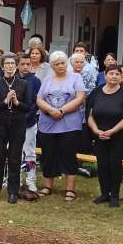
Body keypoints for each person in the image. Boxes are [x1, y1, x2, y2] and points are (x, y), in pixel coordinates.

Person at [36, 51, 86, 201]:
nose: (60, 66)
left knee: (68, 154)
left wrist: (62, 110)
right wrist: (51, 110)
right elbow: (39, 99)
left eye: (62, 63)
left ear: (67, 63)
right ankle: (47, 186)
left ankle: (70, 189)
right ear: (52, 66)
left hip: (69, 124)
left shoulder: (76, 77)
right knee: (48, 154)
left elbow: (80, 98)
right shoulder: (47, 79)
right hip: (48, 123)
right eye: (57, 64)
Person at [87, 63, 123, 207]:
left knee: (115, 166)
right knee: (102, 165)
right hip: (99, 135)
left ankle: (114, 195)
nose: (114, 76)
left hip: (118, 136)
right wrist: (96, 130)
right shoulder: (96, 92)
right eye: (111, 73)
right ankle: (104, 193)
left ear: (121, 77)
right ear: (105, 75)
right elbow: (89, 114)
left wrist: (112, 131)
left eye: (117, 74)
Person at [0, 53, 30, 203]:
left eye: (13, 63)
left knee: (14, 157)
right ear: (3, 66)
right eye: (7, 64)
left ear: (17, 65)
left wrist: (17, 102)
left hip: (17, 124)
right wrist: (5, 101)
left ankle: (13, 191)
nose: (10, 66)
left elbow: (28, 107)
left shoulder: (23, 84)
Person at [16, 52, 42, 200]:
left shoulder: (36, 81)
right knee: (16, 153)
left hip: (30, 122)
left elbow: (35, 102)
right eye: (23, 64)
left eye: (28, 64)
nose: (25, 67)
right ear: (18, 65)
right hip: (14, 124)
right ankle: (17, 182)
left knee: (30, 152)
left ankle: (31, 182)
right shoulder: (12, 80)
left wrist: (27, 115)